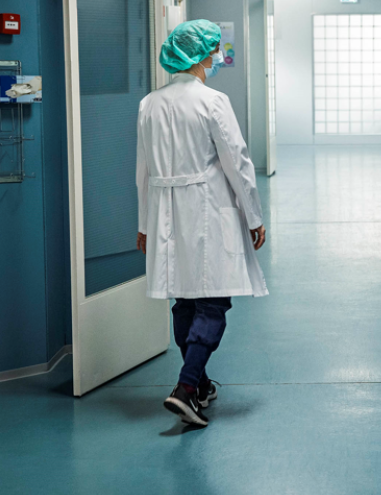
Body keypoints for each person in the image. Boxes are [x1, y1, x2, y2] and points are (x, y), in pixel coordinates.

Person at [136, 19, 268, 427]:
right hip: (207, 209)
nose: (216, 57)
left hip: (165, 212)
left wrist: (144, 223)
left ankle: (200, 385)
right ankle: (186, 386)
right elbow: (238, 163)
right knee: (213, 301)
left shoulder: (149, 104)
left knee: (185, 300)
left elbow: (141, 170)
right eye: (213, 51)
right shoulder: (213, 101)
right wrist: (254, 216)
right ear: (201, 55)